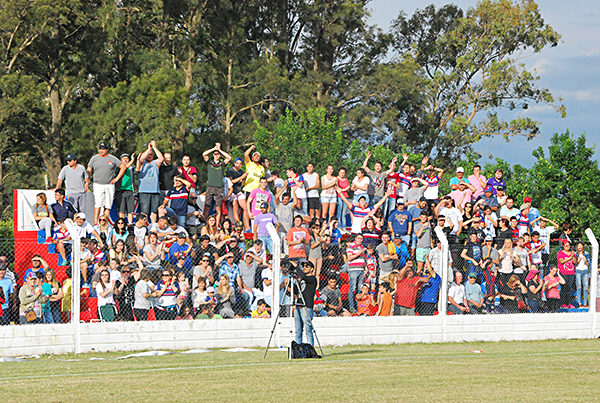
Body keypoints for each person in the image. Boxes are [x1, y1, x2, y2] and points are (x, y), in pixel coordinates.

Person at [87, 142, 122, 225]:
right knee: (98, 204)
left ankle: (105, 223)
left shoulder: (112, 158)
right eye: (100, 149)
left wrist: (116, 178)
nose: (101, 151)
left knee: (108, 205)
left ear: (107, 150)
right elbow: (89, 169)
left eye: (103, 149)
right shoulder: (94, 158)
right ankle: (96, 223)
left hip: (109, 185)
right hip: (97, 184)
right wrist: (87, 181)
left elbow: (123, 166)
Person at [137, 140, 165, 224]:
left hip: (155, 191)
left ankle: (153, 226)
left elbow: (161, 158)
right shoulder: (142, 163)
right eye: (148, 154)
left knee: (154, 211)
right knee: (144, 212)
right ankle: (143, 226)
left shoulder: (155, 163)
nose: (149, 156)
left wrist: (154, 148)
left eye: (151, 155)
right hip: (144, 191)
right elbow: (141, 158)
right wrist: (148, 148)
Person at [202, 143, 231, 223]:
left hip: (219, 187)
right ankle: (204, 222)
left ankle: (217, 224)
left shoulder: (222, 164)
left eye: (218, 154)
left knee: (218, 207)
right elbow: (204, 154)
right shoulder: (209, 162)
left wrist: (219, 150)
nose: (216, 155)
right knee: (207, 206)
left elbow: (229, 157)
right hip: (210, 187)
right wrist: (213, 149)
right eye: (215, 154)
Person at [293, 261, 318, 346]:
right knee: (298, 330)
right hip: (298, 305)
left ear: (312, 269)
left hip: (306, 306)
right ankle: (298, 347)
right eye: (303, 266)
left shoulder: (312, 279)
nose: (304, 268)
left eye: (307, 266)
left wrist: (296, 267)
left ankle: (310, 346)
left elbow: (303, 276)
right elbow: (296, 291)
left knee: (308, 328)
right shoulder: (301, 280)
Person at [113, 153, 136, 223]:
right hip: (120, 190)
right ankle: (122, 224)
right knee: (121, 210)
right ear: (121, 160)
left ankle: (130, 225)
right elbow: (124, 168)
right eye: (124, 159)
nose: (125, 160)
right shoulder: (118, 167)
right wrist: (132, 161)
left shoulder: (131, 168)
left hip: (130, 190)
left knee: (130, 210)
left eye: (127, 159)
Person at [557, 240, 577, 308]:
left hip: (571, 273)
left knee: (569, 289)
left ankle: (568, 303)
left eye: (568, 245)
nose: (567, 246)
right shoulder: (560, 253)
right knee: (564, 288)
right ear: (563, 246)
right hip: (563, 273)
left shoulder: (572, 253)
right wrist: (570, 257)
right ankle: (563, 303)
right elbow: (561, 261)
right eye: (566, 245)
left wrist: (572, 256)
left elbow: (575, 262)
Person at [575, 242, 591, 308]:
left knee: (586, 287)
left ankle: (585, 303)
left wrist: (585, 260)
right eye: (579, 246)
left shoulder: (586, 254)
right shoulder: (575, 254)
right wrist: (578, 260)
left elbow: (588, 264)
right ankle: (579, 302)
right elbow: (574, 264)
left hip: (585, 271)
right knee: (579, 286)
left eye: (581, 246)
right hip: (578, 271)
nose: (580, 247)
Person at [335, 167, 351, 231]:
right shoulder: (336, 179)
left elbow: (348, 188)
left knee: (344, 213)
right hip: (339, 196)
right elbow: (337, 188)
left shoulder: (346, 179)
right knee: (339, 212)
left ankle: (344, 228)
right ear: (338, 172)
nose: (342, 174)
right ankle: (339, 227)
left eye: (343, 173)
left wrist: (343, 189)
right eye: (341, 172)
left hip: (345, 197)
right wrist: (344, 189)